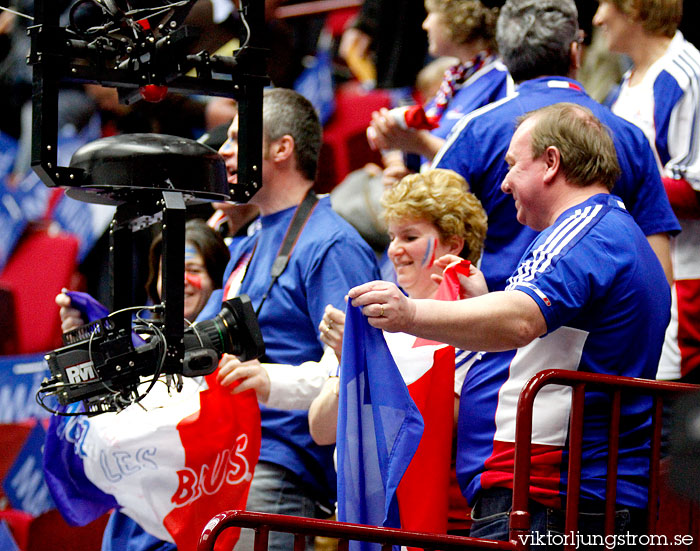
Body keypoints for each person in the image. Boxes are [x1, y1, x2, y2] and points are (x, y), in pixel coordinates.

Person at [349, 103, 671, 546]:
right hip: (569, 495)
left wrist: (408, 314)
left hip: (550, 500)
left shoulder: (583, 230)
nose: (502, 184)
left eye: (512, 165)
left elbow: (521, 321)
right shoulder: (609, 231)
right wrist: (485, 305)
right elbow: (551, 334)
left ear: (551, 163)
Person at [212, 88, 381, 551]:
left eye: (236, 137)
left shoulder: (330, 245)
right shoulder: (246, 245)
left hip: (282, 468)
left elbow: (352, 372)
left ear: (281, 149)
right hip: (227, 458)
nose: (223, 150)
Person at [432, 0, 680, 294]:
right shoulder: (630, 136)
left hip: (496, 325)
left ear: (507, 60)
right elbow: (659, 276)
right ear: (575, 54)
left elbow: (429, 236)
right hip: (599, 332)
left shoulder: (476, 130)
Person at [55, 218, 230, 551]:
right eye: (169, 271)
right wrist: (83, 343)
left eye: (193, 268)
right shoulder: (137, 342)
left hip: (194, 511)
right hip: (133, 519)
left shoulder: (231, 348)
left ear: (218, 279)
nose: (181, 282)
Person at [309, 167, 488, 444]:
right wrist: (350, 361)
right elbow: (321, 430)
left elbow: (439, 427)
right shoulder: (371, 317)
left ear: (453, 245)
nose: (393, 250)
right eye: (392, 237)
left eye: (409, 237)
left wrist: (367, 362)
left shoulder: (471, 320)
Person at [593, 0, 700, 383]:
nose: (597, 18)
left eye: (605, 4)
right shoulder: (625, 84)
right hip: (632, 277)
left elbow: (695, 191)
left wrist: (605, 185)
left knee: (668, 414)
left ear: (635, 8)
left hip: (683, 281)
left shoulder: (686, 74)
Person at [367, 0, 513, 174]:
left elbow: (496, 169)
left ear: (457, 18)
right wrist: (404, 171)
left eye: (431, 14)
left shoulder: (502, 79)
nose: (425, 24)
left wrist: (421, 144)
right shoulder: (454, 81)